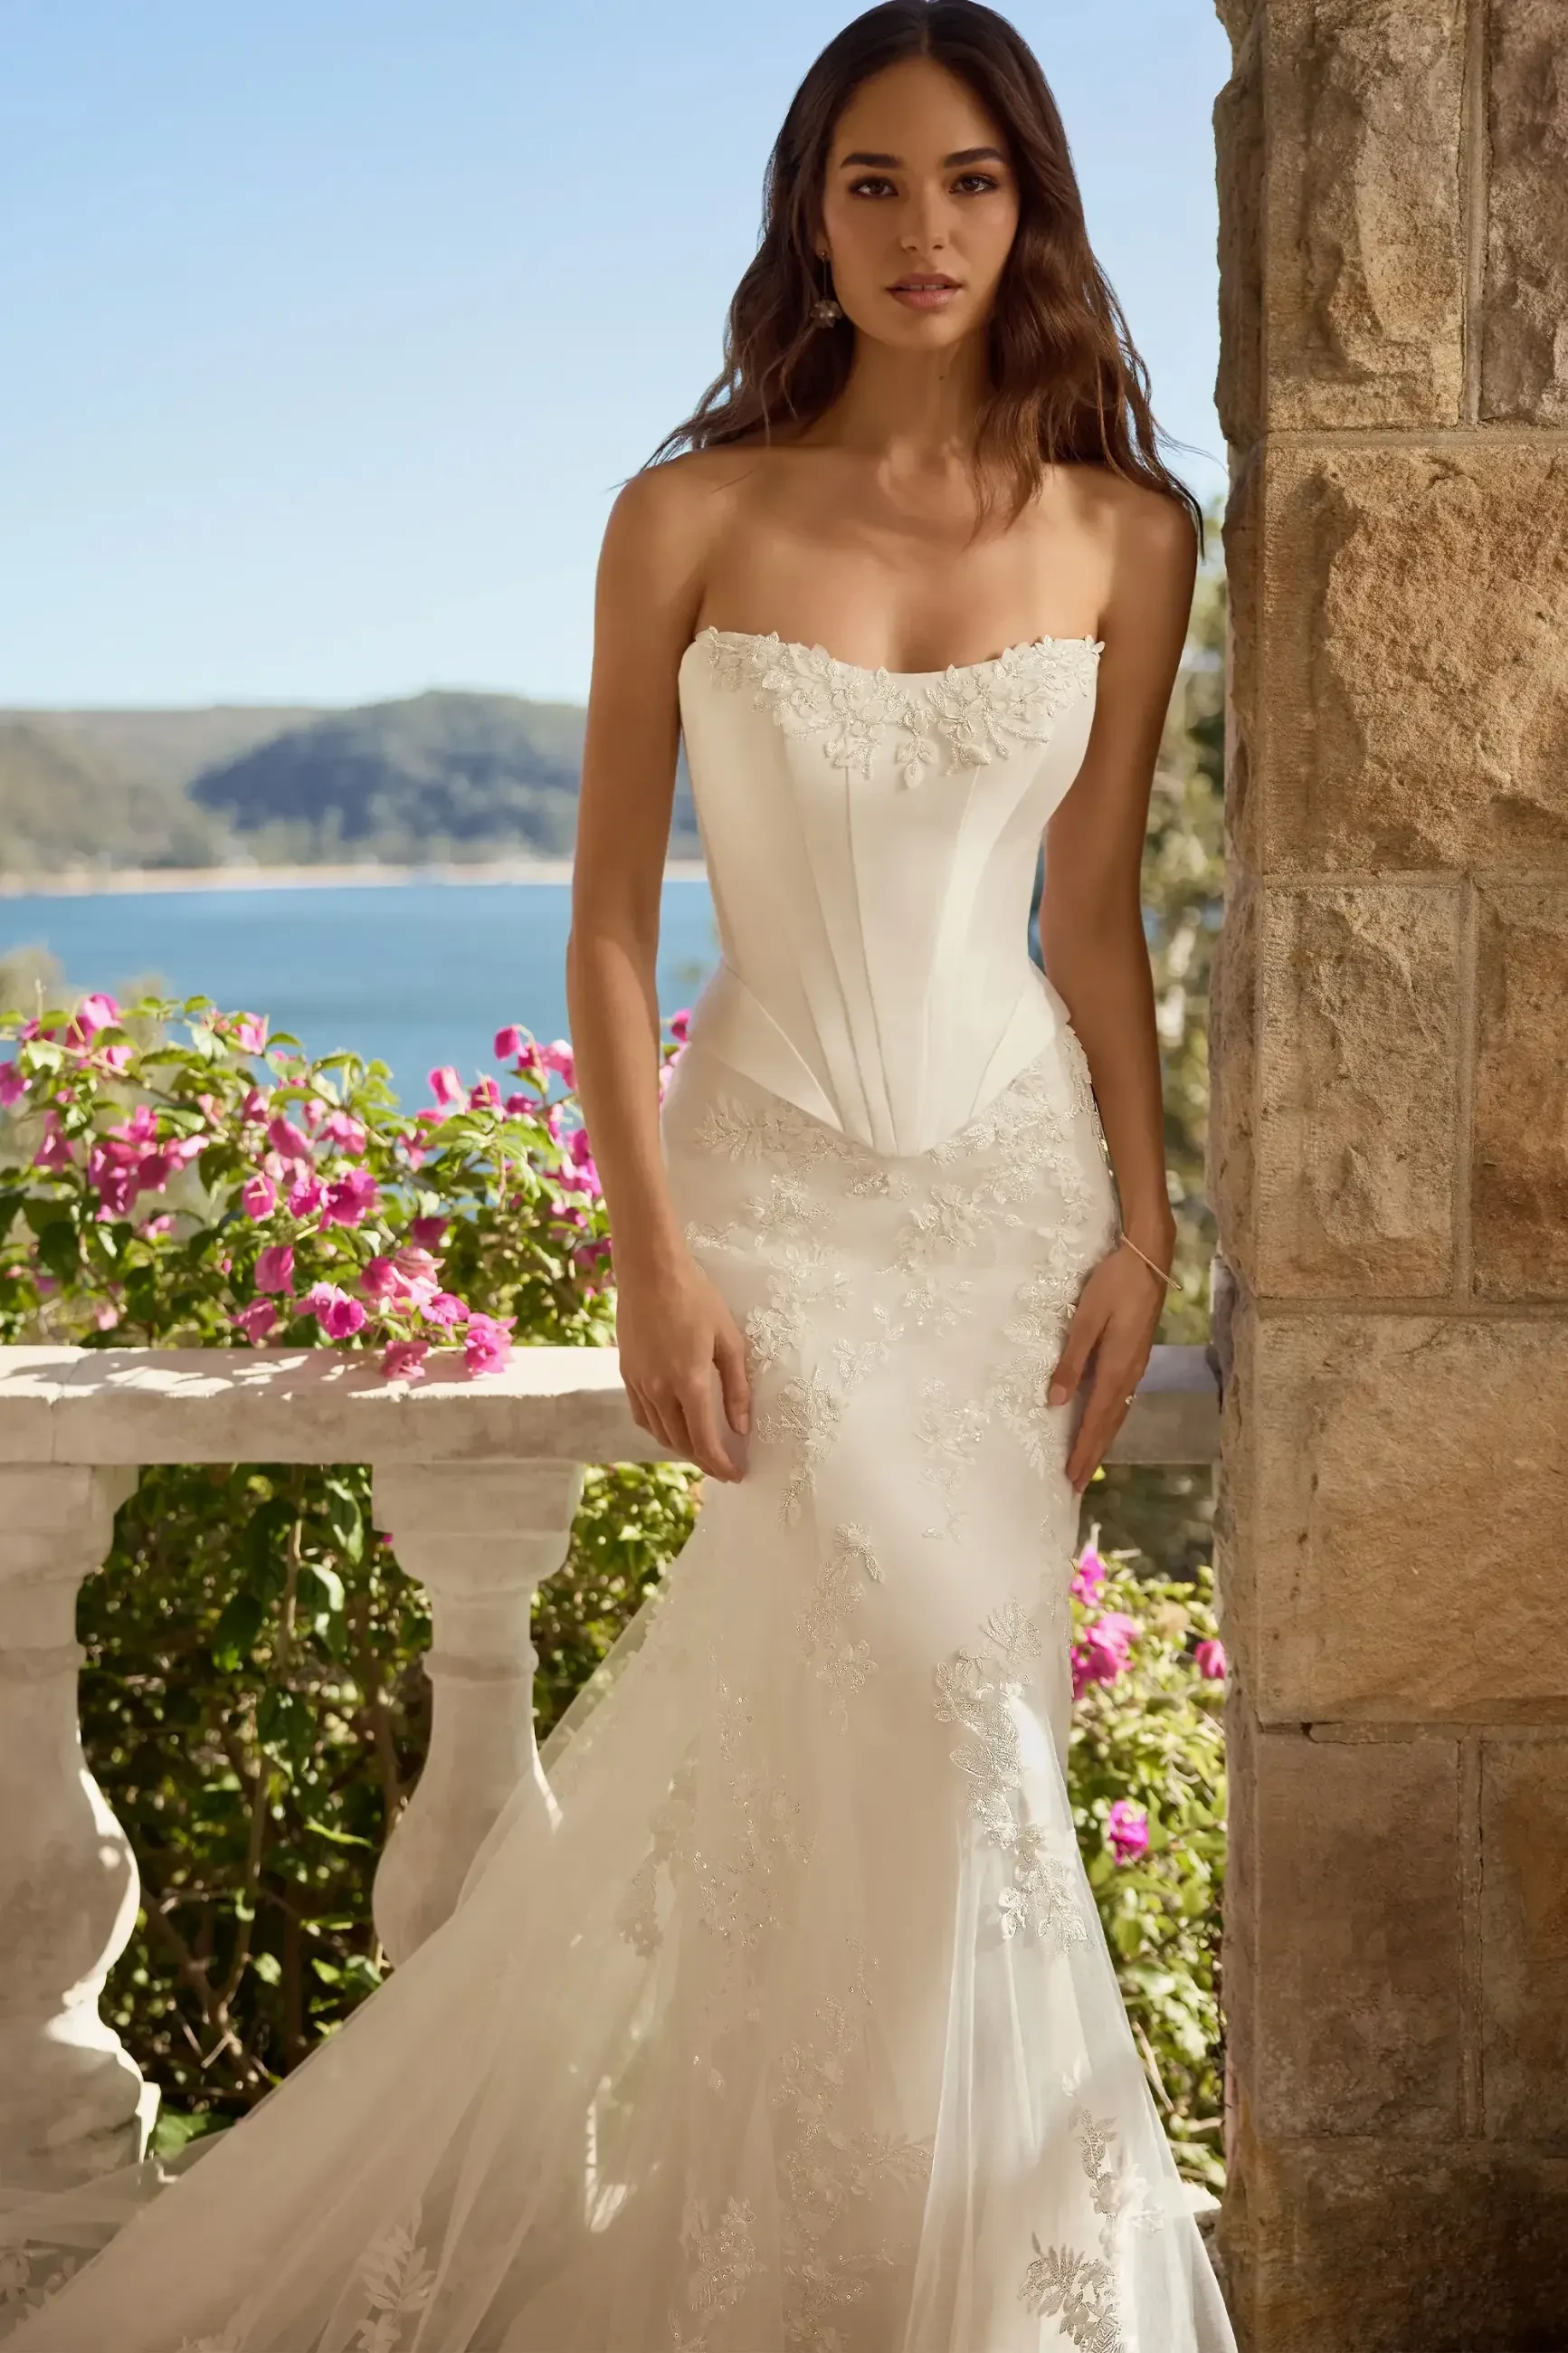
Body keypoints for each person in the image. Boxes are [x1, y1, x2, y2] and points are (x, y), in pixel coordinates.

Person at [0, 4, 1237, 2345]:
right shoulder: (688, 512)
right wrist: (645, 1251)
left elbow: (1082, 921)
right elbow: (598, 917)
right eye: (870, 181)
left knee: (965, 1730)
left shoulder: (1124, 534)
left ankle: (930, 2275)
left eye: (967, 180)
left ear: (1031, 205)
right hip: (766, 1181)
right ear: (805, 212)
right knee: (901, 1707)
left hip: (1004, 1205)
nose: (919, 229)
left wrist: (1145, 1224)